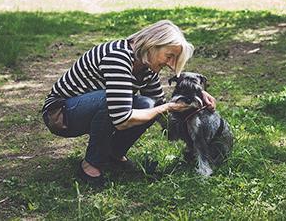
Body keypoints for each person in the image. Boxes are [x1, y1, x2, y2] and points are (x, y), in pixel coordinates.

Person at [41, 19, 216, 186]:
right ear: (153, 45)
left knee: (149, 104)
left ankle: (113, 155)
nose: (171, 65)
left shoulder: (147, 67)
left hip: (91, 110)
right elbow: (122, 119)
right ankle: (91, 165)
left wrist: (196, 95)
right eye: (169, 56)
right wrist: (167, 107)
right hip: (61, 115)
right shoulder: (118, 56)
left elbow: (160, 107)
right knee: (110, 101)